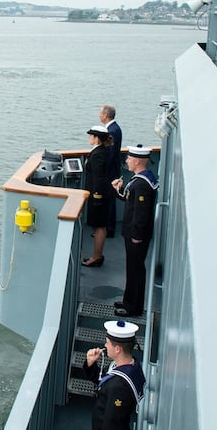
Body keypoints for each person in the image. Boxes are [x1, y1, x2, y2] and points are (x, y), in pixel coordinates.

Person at [111, 145, 158, 317]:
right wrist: (117, 190)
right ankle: (128, 300)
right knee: (133, 269)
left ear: (137, 161)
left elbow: (141, 213)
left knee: (135, 270)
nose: (127, 161)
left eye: (129, 159)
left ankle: (133, 307)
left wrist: (137, 236)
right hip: (134, 234)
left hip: (136, 236)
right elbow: (129, 198)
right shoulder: (142, 179)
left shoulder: (142, 185)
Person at [81, 320, 146, 430]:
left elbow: (112, 423)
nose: (105, 346)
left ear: (117, 349)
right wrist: (90, 364)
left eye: (107, 343)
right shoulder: (130, 365)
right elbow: (103, 379)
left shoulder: (119, 386)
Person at [83, 125, 115, 267]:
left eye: (91, 135)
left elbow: (99, 178)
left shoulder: (97, 155)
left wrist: (97, 196)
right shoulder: (103, 151)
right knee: (99, 226)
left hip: (98, 195)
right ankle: (97, 255)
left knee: (99, 226)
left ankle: (96, 257)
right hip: (101, 194)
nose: (89, 138)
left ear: (96, 138)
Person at [99, 104, 123, 239]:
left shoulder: (112, 131)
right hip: (112, 170)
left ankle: (108, 229)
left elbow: (111, 153)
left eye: (100, 113)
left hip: (110, 172)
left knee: (109, 200)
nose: (99, 115)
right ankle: (107, 228)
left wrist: (103, 170)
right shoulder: (114, 129)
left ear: (106, 115)